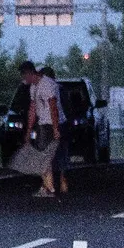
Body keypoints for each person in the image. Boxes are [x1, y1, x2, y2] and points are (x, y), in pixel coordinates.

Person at [19, 61, 62, 197]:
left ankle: (49, 188)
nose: (25, 80)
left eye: (25, 76)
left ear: (31, 73)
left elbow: (53, 107)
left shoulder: (47, 84)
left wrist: (55, 128)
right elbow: (32, 110)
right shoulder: (33, 87)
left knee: (42, 156)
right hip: (41, 123)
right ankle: (47, 186)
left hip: (49, 124)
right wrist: (28, 131)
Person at [40, 66, 70, 196]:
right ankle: (63, 180)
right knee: (62, 153)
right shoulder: (60, 89)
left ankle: (48, 184)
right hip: (62, 123)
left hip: (49, 125)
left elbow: (51, 109)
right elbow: (67, 108)